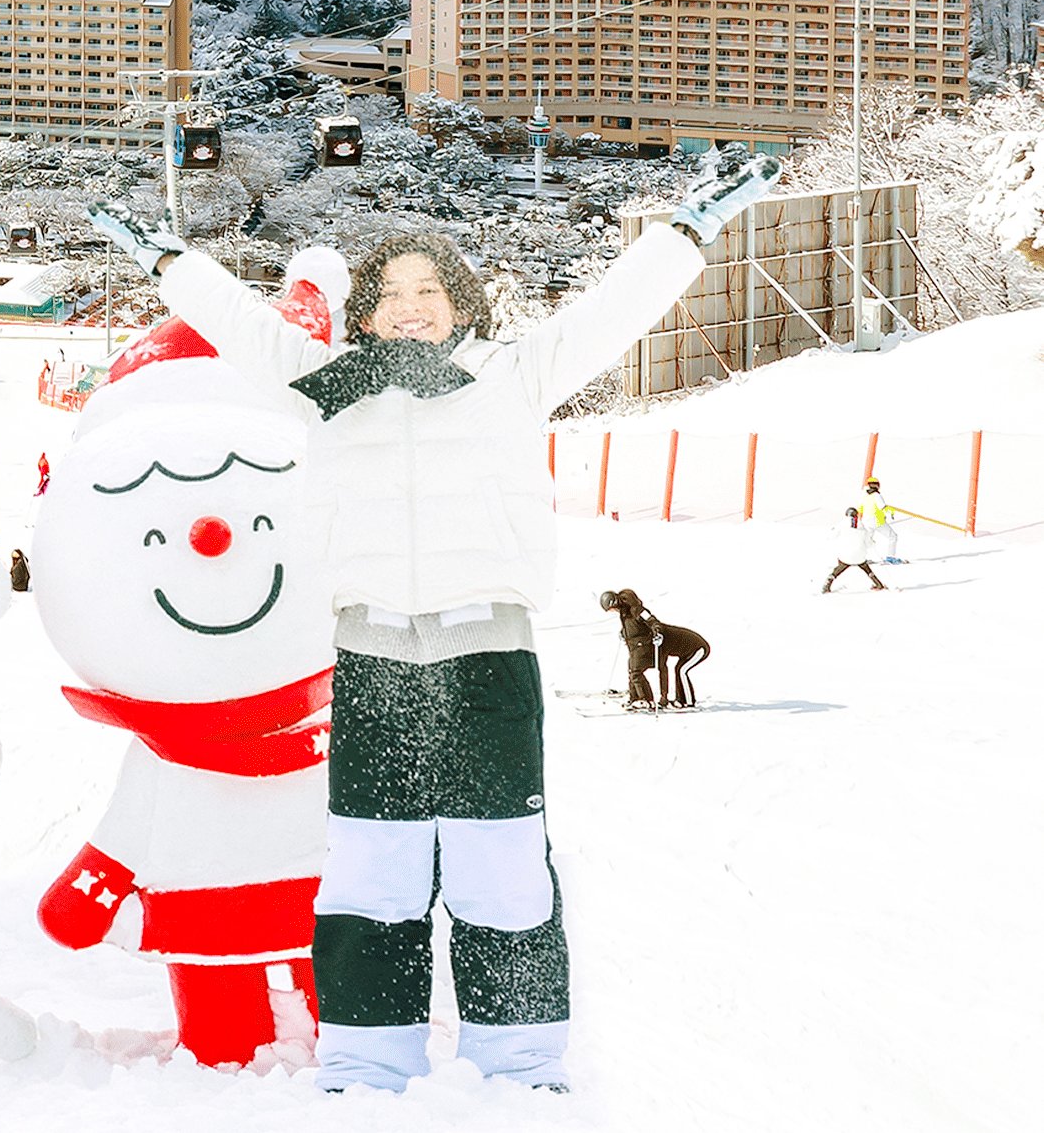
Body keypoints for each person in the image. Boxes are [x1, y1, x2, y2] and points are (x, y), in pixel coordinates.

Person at [97, 143, 779, 1094]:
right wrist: (170, 262)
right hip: (373, 655)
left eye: (429, 288)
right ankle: (365, 1059)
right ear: (363, 313)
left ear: (462, 302)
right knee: (370, 872)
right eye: (389, 293)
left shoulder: (513, 373)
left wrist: (686, 230)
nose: (409, 306)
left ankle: (521, 1062)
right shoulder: (324, 385)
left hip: (485, 652)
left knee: (501, 869)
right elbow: (241, 327)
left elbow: (615, 310)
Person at [599, 589, 660, 709]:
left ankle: (645, 700)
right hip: (633, 645)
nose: (613, 611)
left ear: (614, 603)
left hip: (643, 644)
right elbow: (631, 626)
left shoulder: (636, 609)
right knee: (632, 672)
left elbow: (651, 620)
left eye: (611, 609)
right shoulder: (624, 611)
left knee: (636, 672)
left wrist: (657, 631)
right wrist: (624, 633)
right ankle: (635, 699)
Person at [824, 506, 890, 593]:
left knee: (839, 567)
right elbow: (869, 544)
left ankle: (828, 584)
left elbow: (831, 536)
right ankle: (878, 584)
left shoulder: (842, 524)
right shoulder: (862, 527)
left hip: (845, 556)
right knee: (866, 568)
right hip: (860, 556)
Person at [860, 479, 906, 564]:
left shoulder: (866, 496)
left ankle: (862, 558)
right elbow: (882, 507)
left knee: (867, 540)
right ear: (877, 485)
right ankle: (890, 557)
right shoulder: (876, 495)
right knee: (893, 536)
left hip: (866, 521)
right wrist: (891, 512)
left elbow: (861, 509)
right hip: (876, 520)